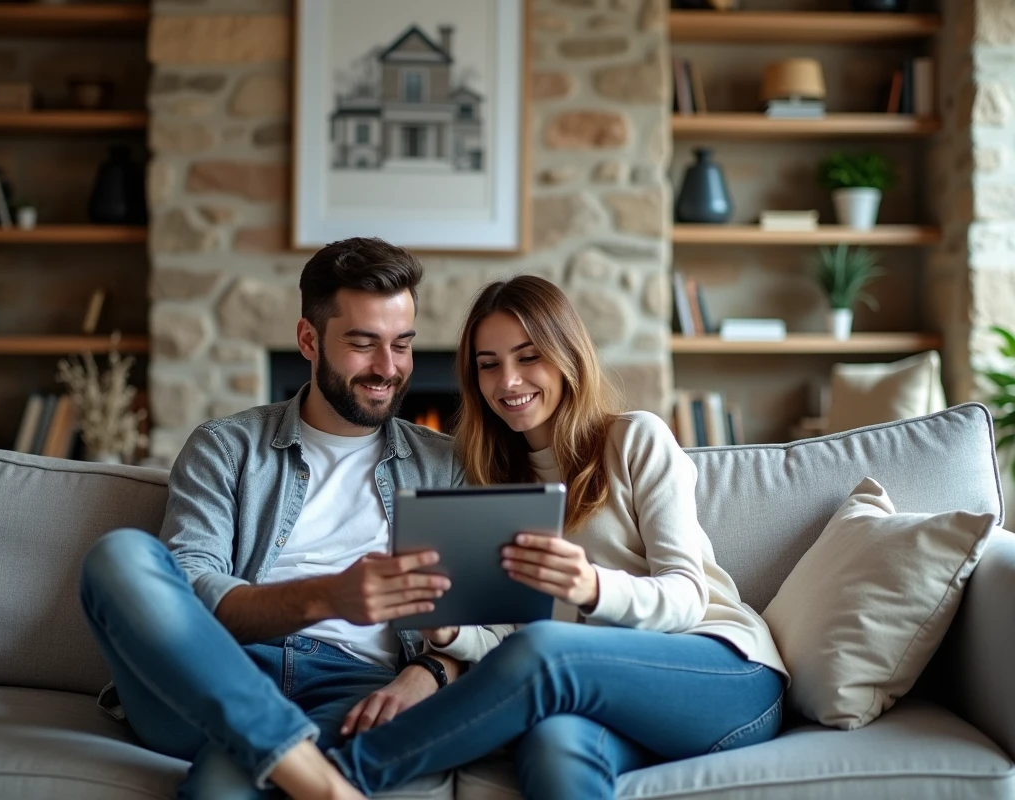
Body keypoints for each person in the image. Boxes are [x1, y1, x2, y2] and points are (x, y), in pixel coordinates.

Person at [325, 275, 790, 798]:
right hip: (605, 700)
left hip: (724, 677)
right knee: (550, 742)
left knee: (547, 648)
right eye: (489, 364)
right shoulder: (489, 478)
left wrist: (592, 586)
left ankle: (342, 775)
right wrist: (447, 632)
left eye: (528, 357)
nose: (508, 381)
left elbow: (687, 596)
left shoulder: (634, 439)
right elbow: (504, 637)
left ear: (567, 355)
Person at [78, 237, 466, 800]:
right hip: (212, 675)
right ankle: (322, 785)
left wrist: (427, 673)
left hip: (353, 689)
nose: (388, 368)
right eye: (363, 344)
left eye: (402, 345)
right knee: (118, 557)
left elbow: (478, 623)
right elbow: (191, 584)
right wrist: (329, 596)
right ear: (308, 339)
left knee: (219, 788)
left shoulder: (443, 465)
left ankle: (283, 762)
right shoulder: (226, 447)